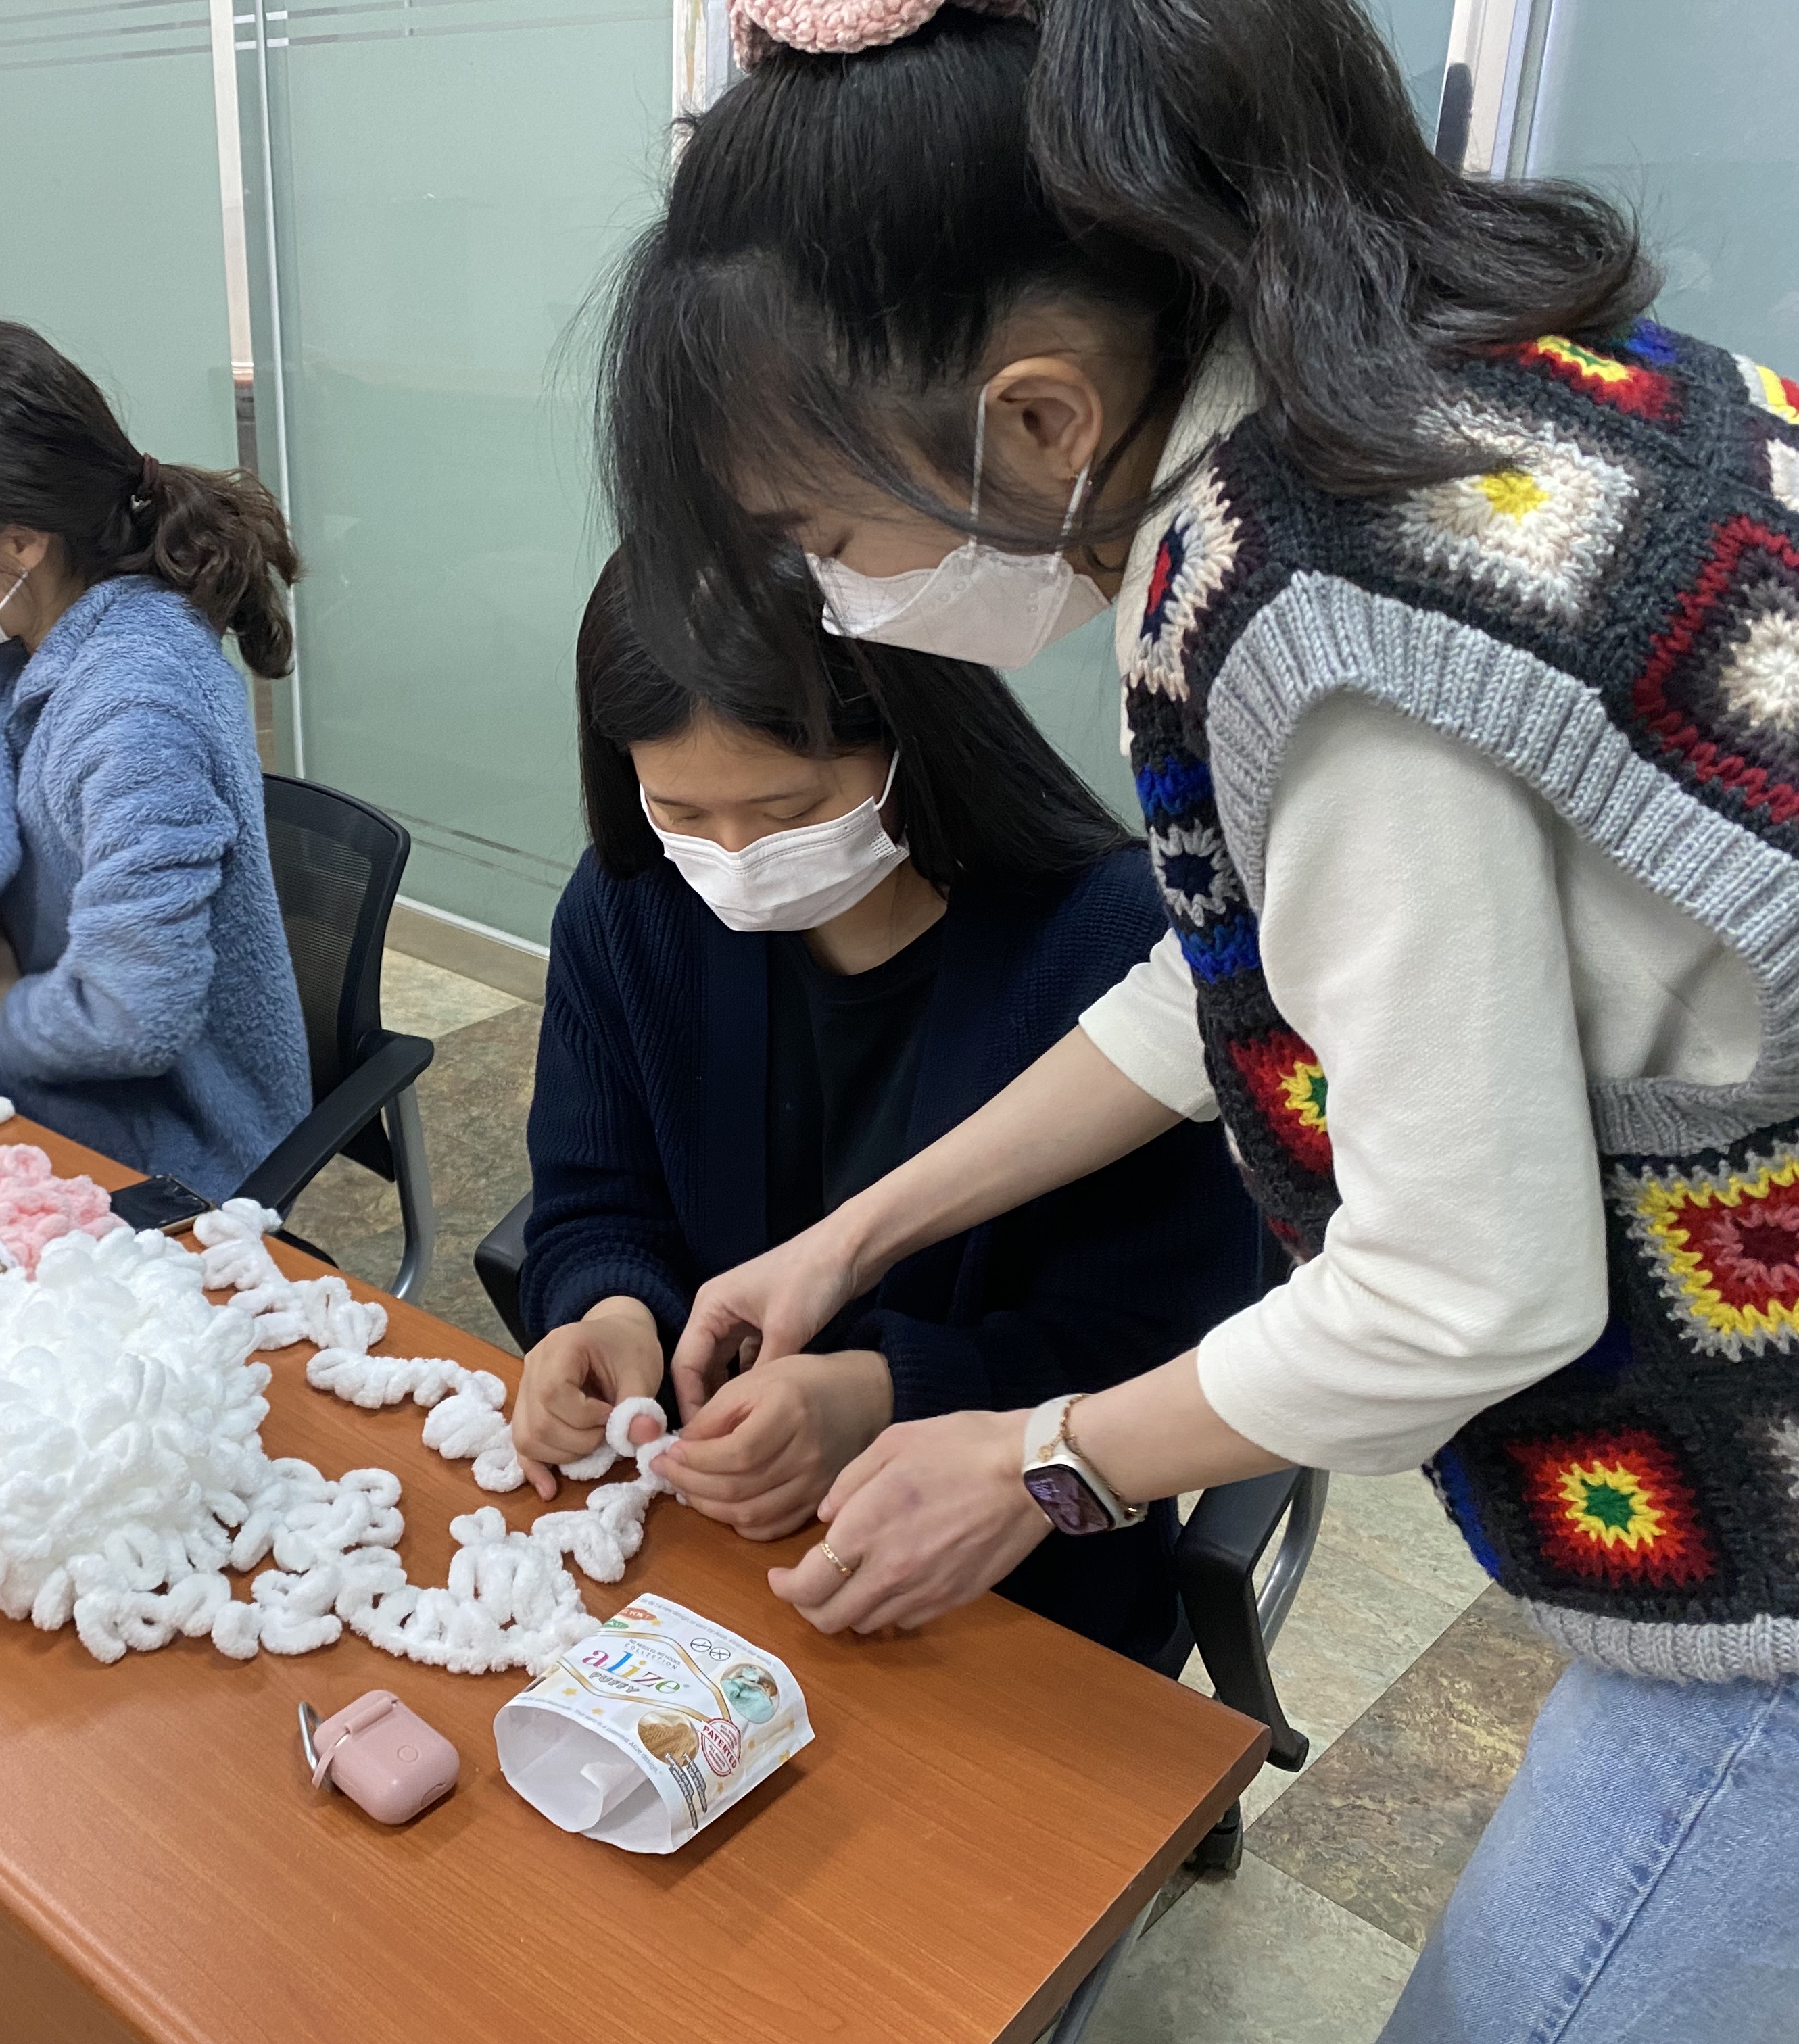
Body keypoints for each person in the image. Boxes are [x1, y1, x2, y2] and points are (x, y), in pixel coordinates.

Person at [606, 1, 1799, 2036]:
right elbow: (1246, 975)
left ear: (1039, 420)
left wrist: (1045, 1463)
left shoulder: (1323, 601)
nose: (838, 598)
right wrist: (854, 1237)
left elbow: (1456, 1295)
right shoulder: (1448, 389)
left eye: (826, 539)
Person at [508, 558, 1256, 1663]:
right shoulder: (636, 908)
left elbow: (1169, 1342)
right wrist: (610, 1314)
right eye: (680, 810)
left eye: (788, 811)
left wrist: (885, 1393)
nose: (734, 859)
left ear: (915, 737)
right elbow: (593, 1199)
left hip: (1004, 1581)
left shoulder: (1116, 951)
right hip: (702, 1542)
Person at [0, 318, 310, 1198]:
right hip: (7, 1082)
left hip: (158, 1143)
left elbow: (133, 1015)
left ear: (19, 540)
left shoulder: (137, 707)